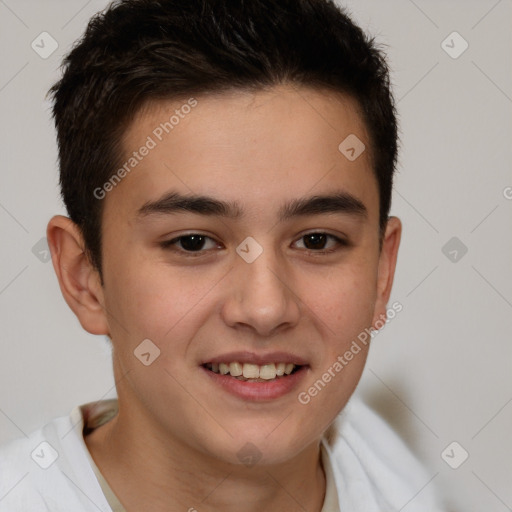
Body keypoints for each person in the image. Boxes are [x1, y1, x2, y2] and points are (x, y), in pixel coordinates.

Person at [0, 0, 445, 510]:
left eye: (317, 240)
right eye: (193, 242)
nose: (264, 309)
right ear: (85, 277)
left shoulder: (413, 491)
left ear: (382, 273)